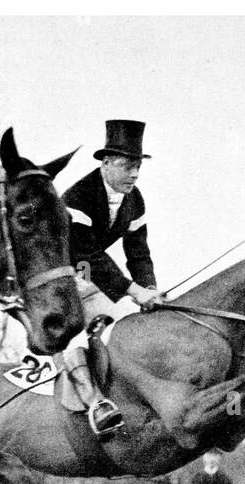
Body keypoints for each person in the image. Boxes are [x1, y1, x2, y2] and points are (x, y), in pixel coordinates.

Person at [61, 119, 165, 435]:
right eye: (127, 166)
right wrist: (132, 289)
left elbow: (139, 252)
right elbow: (86, 254)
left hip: (93, 277)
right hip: (64, 276)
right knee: (73, 333)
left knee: (131, 319)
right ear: (106, 163)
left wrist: (150, 289)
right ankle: (96, 405)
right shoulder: (77, 196)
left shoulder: (135, 199)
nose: (134, 174)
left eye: (138, 167)